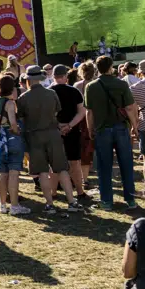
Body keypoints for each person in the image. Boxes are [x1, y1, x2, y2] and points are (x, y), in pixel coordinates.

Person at [18, 66, 78, 215]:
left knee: (42, 172)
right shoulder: (51, 93)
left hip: (34, 136)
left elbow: (22, 119)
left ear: (28, 80)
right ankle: (72, 201)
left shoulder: (23, 98)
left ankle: (50, 204)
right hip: (53, 134)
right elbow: (56, 112)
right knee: (62, 168)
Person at [85, 57, 139, 211]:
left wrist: (90, 129)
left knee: (104, 166)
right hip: (121, 127)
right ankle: (130, 199)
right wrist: (134, 126)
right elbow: (129, 107)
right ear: (111, 67)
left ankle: (107, 201)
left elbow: (89, 112)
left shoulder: (91, 86)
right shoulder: (121, 84)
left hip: (102, 129)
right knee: (126, 164)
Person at [0, 76, 29, 215]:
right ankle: (14, 206)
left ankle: (2, 205)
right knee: (14, 173)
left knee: (3, 174)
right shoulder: (10, 103)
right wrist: (19, 131)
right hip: (11, 138)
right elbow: (13, 124)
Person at [51, 64, 88, 203]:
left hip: (54, 131)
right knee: (75, 162)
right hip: (72, 131)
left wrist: (59, 125)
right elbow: (82, 112)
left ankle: (53, 192)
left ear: (54, 77)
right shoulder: (74, 91)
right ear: (65, 76)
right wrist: (70, 125)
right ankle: (80, 191)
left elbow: (47, 114)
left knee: (54, 163)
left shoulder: (49, 92)